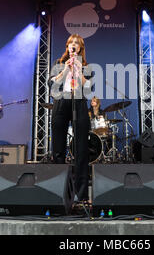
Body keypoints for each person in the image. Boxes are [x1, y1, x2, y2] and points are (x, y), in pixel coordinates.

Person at [50, 34, 91, 202]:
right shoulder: (58, 64)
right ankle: (59, 193)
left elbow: (88, 89)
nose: (73, 45)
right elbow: (52, 84)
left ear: (80, 48)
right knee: (58, 149)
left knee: (81, 150)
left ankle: (81, 196)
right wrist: (67, 69)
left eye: (76, 43)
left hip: (79, 102)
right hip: (61, 102)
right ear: (67, 46)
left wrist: (78, 71)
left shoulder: (87, 66)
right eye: (70, 43)